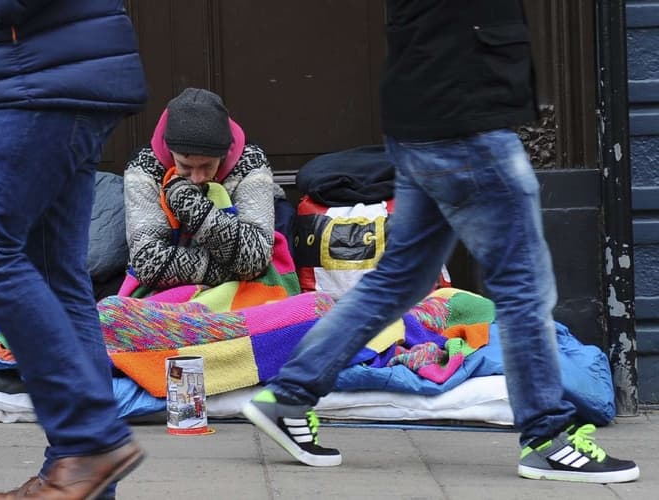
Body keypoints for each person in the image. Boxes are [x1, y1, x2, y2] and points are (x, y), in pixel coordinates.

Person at [242, 0, 640, 484]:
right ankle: (548, 437)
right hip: (465, 124)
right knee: (523, 286)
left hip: (424, 117)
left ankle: (291, 393)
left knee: (400, 279)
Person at [0, 2, 148, 499]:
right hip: (46, 70)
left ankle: (89, 442)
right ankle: (83, 475)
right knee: (57, 276)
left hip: (38, 76)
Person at [123, 87, 283, 291]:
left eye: (207, 166)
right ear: (170, 151)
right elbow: (147, 263)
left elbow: (255, 258)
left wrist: (190, 206)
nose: (197, 178)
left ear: (224, 155)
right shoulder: (143, 167)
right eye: (185, 166)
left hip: (241, 297)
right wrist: (237, 270)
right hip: (164, 297)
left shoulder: (250, 161)